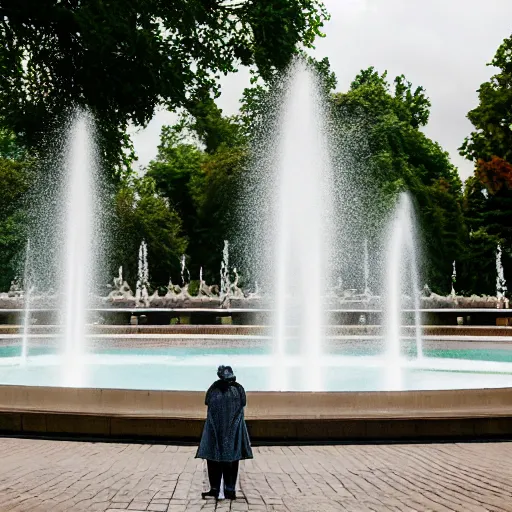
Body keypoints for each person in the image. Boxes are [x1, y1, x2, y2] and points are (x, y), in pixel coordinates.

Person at [196, 365, 253, 500]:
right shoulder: (238, 390)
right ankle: (230, 489)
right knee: (232, 460)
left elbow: (207, 402)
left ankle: (215, 488)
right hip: (233, 433)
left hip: (215, 433)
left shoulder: (215, 390)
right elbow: (243, 404)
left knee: (214, 460)